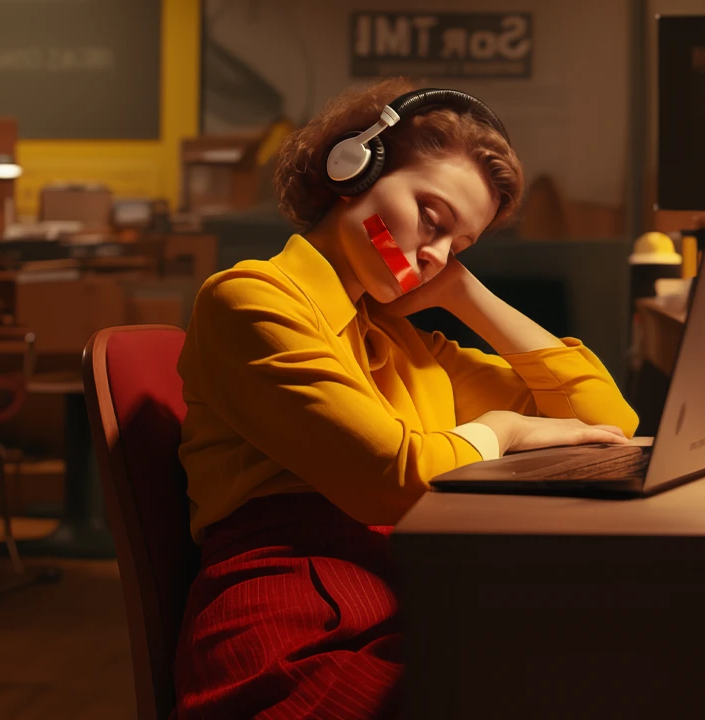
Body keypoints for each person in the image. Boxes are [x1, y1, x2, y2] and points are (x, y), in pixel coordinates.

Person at [172, 77, 638, 719]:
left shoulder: (399, 342)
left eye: (460, 245)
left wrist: (465, 293)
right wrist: (502, 431)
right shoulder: (251, 300)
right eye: (432, 218)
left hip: (399, 603)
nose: (435, 254)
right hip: (294, 631)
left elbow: (605, 420)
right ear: (352, 168)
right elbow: (388, 477)